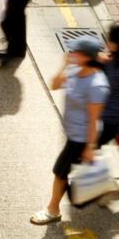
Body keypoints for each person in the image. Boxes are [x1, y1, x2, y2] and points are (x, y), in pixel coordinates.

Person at [31, 36, 109, 225]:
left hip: (81, 138)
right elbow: (55, 85)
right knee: (73, 172)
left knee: (60, 172)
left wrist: (89, 147)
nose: (70, 53)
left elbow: (94, 120)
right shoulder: (75, 70)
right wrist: (65, 66)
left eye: (75, 52)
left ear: (86, 56)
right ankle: (103, 187)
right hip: (72, 134)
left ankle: (52, 210)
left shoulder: (97, 85)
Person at [100, 24, 119, 149]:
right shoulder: (111, 61)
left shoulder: (112, 66)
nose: (107, 43)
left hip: (105, 120)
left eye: (110, 40)